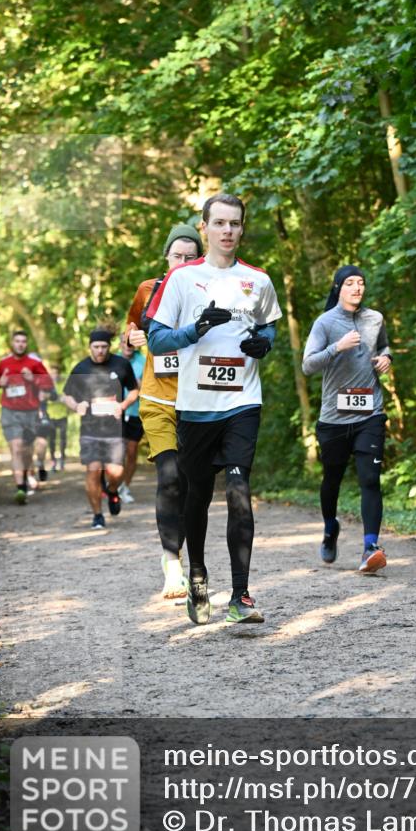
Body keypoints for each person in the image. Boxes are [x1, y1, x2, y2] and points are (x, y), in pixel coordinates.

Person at [147, 193, 282, 624]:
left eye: (235, 223)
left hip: (243, 401)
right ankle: (199, 577)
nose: (228, 231)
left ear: (243, 228)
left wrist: (264, 343)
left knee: (240, 493)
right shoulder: (183, 279)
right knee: (198, 497)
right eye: (220, 223)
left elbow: (268, 326)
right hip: (195, 408)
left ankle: (240, 596)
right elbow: (157, 339)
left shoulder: (258, 280)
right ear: (204, 228)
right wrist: (197, 329)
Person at [124, 222, 203, 598]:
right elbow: (131, 324)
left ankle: (180, 553)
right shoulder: (149, 290)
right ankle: (172, 563)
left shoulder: (210, 291)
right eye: (177, 256)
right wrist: (132, 336)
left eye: (191, 257)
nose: (183, 262)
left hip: (198, 401)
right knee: (169, 477)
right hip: (157, 400)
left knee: (187, 484)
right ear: (167, 257)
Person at [302, 266, 393, 573]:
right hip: (334, 418)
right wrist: (336, 347)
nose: (357, 288)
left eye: (361, 283)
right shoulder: (325, 322)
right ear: (338, 287)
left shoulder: (375, 318)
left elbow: (384, 346)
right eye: (350, 283)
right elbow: (308, 364)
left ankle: (370, 548)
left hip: (371, 413)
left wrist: (386, 358)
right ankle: (330, 527)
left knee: (370, 479)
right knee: (332, 480)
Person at [62, 329, 139, 529]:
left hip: (114, 429)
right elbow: (67, 395)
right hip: (90, 429)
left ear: (109, 347)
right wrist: (76, 406)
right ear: (89, 347)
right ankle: (97, 515)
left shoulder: (121, 365)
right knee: (93, 471)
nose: (100, 351)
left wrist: (122, 406)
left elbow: (134, 390)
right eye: (96, 347)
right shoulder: (80, 368)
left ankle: (113, 491)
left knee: (115, 472)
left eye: (104, 347)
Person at [0, 330, 53, 503]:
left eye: (23, 341)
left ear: (27, 344)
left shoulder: (34, 363)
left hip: (30, 412)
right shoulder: (4, 363)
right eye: (17, 341)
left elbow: (48, 384)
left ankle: (26, 476)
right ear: (12, 343)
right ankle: (20, 488)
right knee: (16, 448)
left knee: (27, 450)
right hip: (10, 411)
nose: (20, 344)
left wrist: (33, 378)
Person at [118, 334, 146, 504]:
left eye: (131, 342)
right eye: (125, 342)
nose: (128, 345)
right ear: (120, 344)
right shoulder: (111, 359)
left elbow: (145, 385)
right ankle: (113, 483)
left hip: (135, 412)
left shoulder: (143, 360)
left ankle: (124, 487)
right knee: (116, 451)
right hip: (115, 412)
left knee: (131, 452)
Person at [45, 366, 69, 471]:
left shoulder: (63, 385)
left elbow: (66, 398)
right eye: (52, 373)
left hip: (63, 416)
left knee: (63, 439)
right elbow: (44, 398)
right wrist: (57, 398)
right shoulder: (46, 386)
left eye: (56, 373)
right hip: (50, 416)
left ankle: (62, 460)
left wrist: (57, 398)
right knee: (52, 441)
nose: (54, 375)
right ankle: (53, 463)